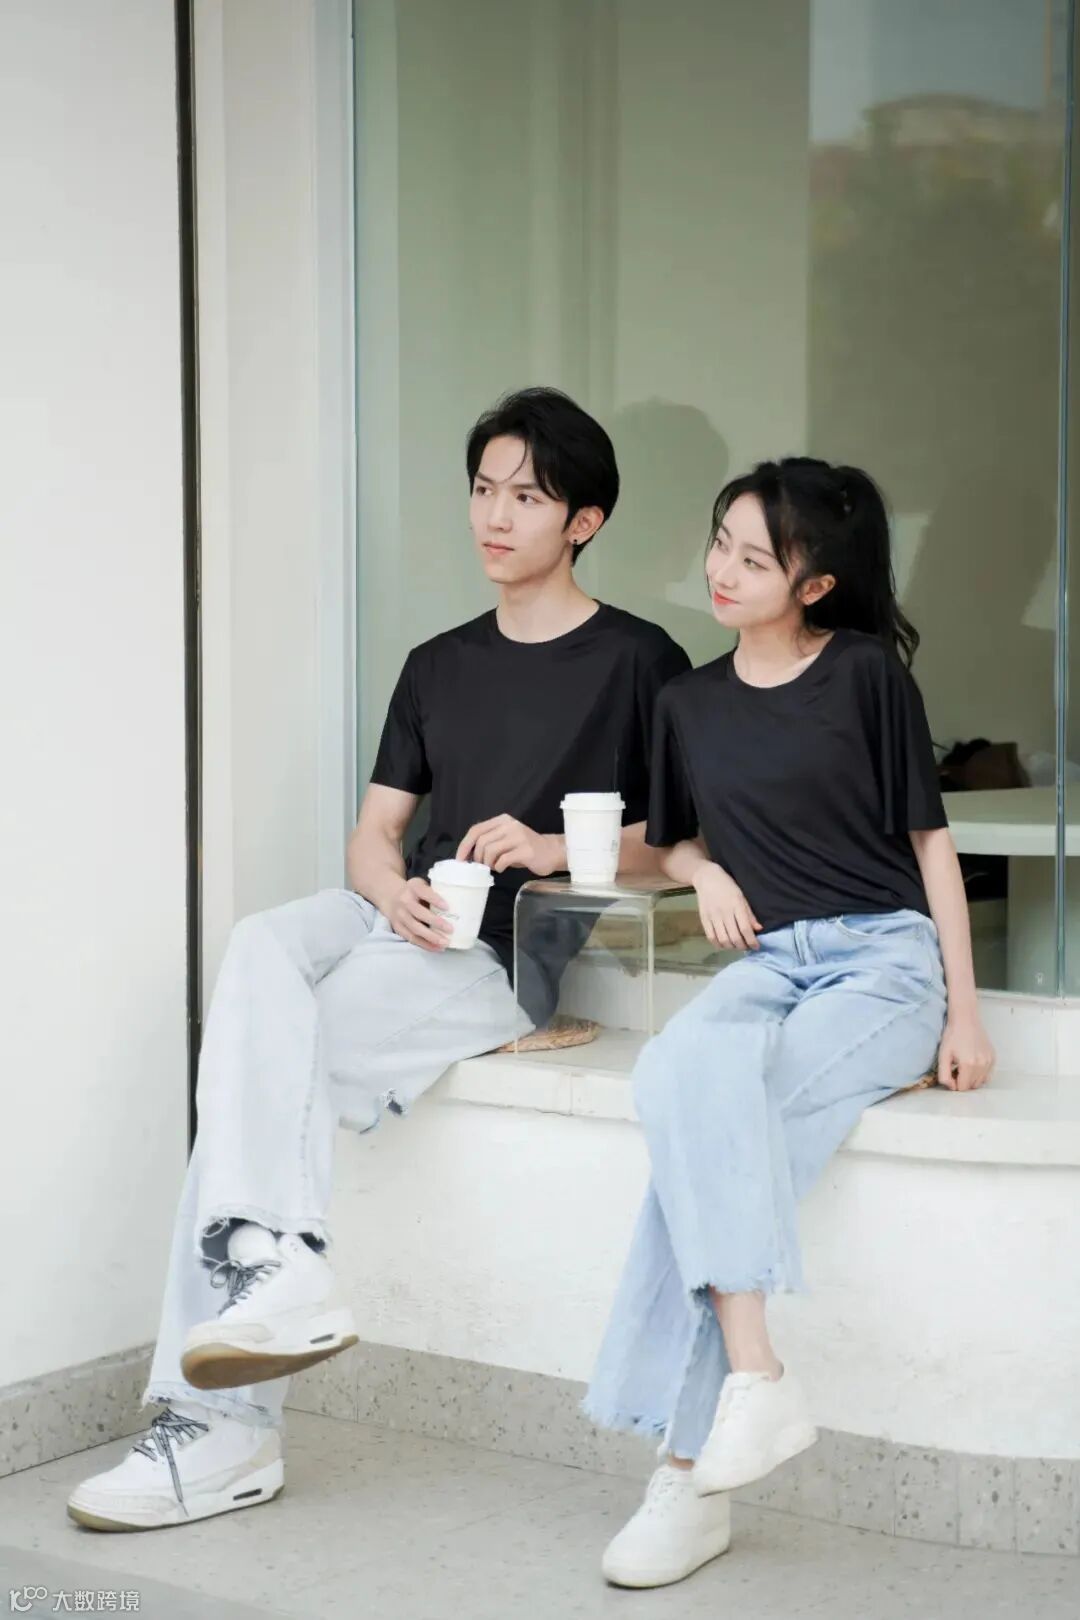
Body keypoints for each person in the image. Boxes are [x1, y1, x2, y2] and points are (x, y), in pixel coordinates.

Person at [67, 387, 690, 1532]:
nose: (494, 516)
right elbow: (373, 834)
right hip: (399, 920)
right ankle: (276, 1276)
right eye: (483, 489)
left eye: (526, 497)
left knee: (259, 1071)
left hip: (496, 957)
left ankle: (221, 1421)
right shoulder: (436, 664)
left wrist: (549, 846)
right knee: (260, 947)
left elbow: (683, 844)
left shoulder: (640, 660)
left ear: (585, 520)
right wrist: (386, 886)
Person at [586, 456, 995, 1590]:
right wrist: (702, 870)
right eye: (719, 542)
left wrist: (965, 1014)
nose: (721, 570)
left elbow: (932, 847)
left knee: (723, 1130)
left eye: (754, 559)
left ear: (813, 584)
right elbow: (665, 840)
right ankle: (756, 1378)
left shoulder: (864, 677)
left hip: (883, 964)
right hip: (768, 960)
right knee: (678, 1074)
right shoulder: (687, 702)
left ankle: (683, 1474)